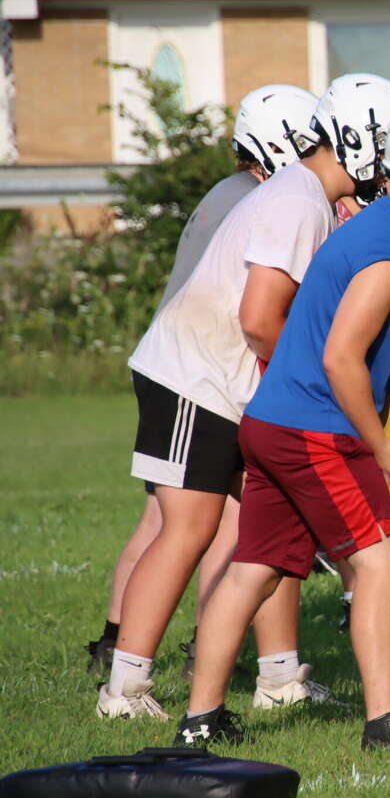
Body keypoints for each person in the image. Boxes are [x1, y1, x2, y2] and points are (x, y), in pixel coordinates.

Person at [175, 96, 390, 750]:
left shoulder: (375, 226)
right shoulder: (389, 249)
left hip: (273, 420)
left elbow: (339, 331)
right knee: (386, 562)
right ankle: (386, 722)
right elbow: (338, 355)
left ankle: (200, 719)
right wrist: (379, 441)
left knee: (254, 567)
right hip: (313, 427)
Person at [97, 73, 390, 721]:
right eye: (386, 150)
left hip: (232, 385)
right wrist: (303, 392)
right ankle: (124, 689)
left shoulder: (312, 198)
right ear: (354, 139)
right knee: (190, 527)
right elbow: (261, 317)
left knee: (261, 537)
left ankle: (277, 676)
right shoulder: (298, 199)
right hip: (198, 375)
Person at [85, 84, 319, 677]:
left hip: (209, 373)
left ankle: (146, 649)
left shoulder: (239, 191)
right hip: (200, 375)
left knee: (217, 520)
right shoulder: (265, 198)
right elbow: (252, 307)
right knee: (188, 525)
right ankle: (133, 663)